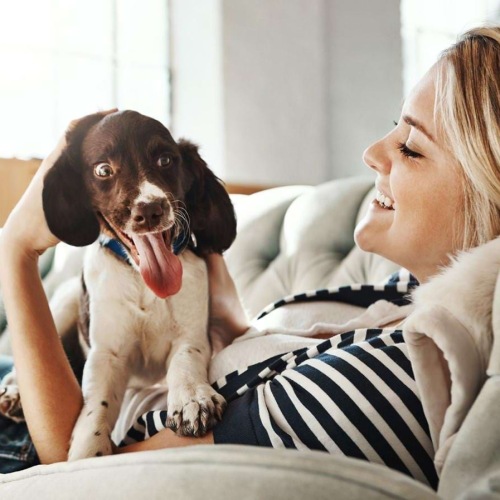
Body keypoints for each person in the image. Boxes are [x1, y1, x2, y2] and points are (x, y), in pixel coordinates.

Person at [0, 26, 498, 488]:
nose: (371, 151)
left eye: (411, 147)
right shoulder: (398, 295)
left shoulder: (396, 378)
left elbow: (80, 477)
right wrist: (227, 321)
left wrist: (16, 251)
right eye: (394, 126)